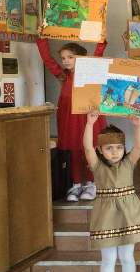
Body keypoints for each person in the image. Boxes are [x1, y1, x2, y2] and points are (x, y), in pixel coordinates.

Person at [82, 114, 140, 272]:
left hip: (129, 214)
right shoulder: (97, 165)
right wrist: (90, 124)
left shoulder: (128, 162)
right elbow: (87, 147)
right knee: (108, 258)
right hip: (106, 216)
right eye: (109, 148)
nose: (114, 152)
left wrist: (138, 125)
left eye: (119, 147)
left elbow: (139, 145)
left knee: (127, 256)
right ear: (100, 150)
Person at [37, 38, 107, 201]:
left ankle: (91, 183)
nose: (66, 61)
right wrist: (41, 39)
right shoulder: (63, 75)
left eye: (70, 57)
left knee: (89, 148)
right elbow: (48, 60)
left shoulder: (90, 72)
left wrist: (101, 39)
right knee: (73, 149)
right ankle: (76, 184)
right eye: (63, 58)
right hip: (69, 118)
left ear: (81, 57)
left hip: (87, 117)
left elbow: (98, 54)